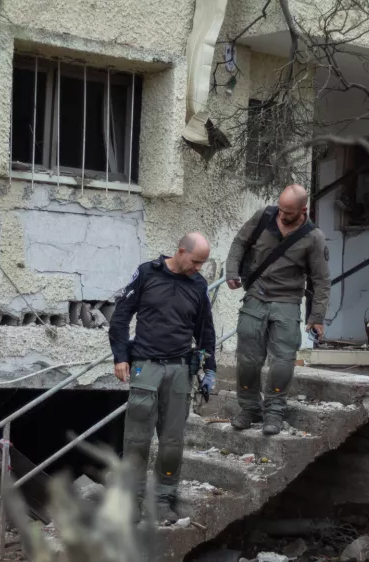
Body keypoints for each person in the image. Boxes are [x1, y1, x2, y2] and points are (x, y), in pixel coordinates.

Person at [109, 232, 217, 523]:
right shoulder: (147, 273)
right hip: (145, 366)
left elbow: (205, 331)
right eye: (196, 261)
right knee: (136, 440)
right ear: (181, 251)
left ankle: (163, 501)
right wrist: (120, 356)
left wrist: (209, 368)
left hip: (180, 369)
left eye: (202, 263)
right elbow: (121, 316)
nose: (198, 268)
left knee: (172, 442)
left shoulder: (198, 285)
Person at [224, 184, 331, 436]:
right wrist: (231, 271)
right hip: (256, 296)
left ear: (303, 210)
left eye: (288, 212)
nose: (282, 215)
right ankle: (250, 408)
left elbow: (321, 280)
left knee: (283, 361)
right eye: (281, 209)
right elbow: (239, 242)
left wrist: (316, 316)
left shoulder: (314, 237)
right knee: (248, 359)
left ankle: (274, 412)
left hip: (287, 300)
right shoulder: (264, 216)